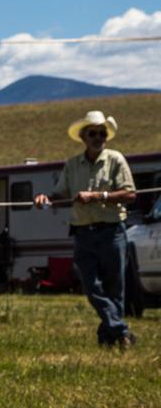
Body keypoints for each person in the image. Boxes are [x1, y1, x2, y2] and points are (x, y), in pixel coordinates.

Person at [33, 110, 136, 348]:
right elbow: (60, 196)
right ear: (83, 137)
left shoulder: (116, 159)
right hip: (82, 232)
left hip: (112, 231)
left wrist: (98, 196)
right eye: (93, 133)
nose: (98, 137)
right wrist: (44, 199)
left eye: (102, 133)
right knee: (91, 286)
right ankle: (120, 330)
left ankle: (112, 338)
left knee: (114, 287)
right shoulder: (71, 165)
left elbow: (130, 194)